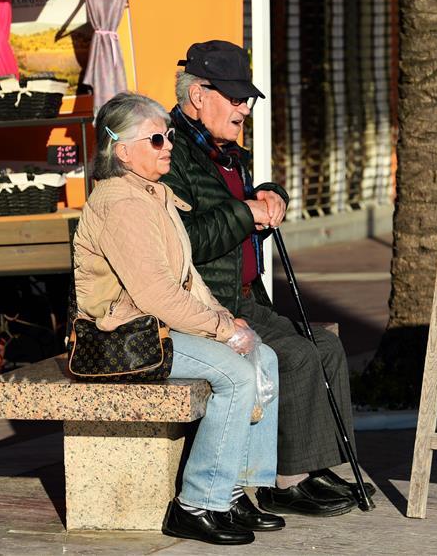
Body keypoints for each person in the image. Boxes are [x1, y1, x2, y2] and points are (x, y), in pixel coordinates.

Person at [161, 40, 375, 517]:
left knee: (326, 347)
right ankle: (286, 479)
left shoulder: (226, 152)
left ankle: (317, 466)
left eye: (246, 98)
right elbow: (184, 240)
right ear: (199, 95)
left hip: (245, 294)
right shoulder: (172, 153)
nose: (244, 108)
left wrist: (269, 194)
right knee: (296, 355)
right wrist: (244, 211)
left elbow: (242, 201)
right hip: (207, 303)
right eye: (235, 97)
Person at [73, 92, 284, 546]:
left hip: (156, 327)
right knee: (233, 371)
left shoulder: (154, 195)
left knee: (263, 357)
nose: (168, 144)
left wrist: (228, 320)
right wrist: (223, 331)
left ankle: (235, 489)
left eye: (167, 135)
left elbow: (187, 279)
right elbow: (155, 294)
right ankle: (198, 503)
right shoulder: (121, 204)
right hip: (122, 337)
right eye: (155, 138)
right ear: (122, 150)